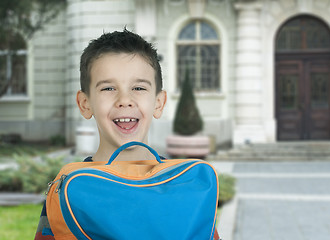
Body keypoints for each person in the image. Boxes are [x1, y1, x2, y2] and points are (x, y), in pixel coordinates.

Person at [34, 29, 220, 240]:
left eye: (139, 88)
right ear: (84, 104)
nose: (125, 99)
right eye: (108, 88)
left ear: (159, 103)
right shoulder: (69, 191)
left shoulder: (186, 186)